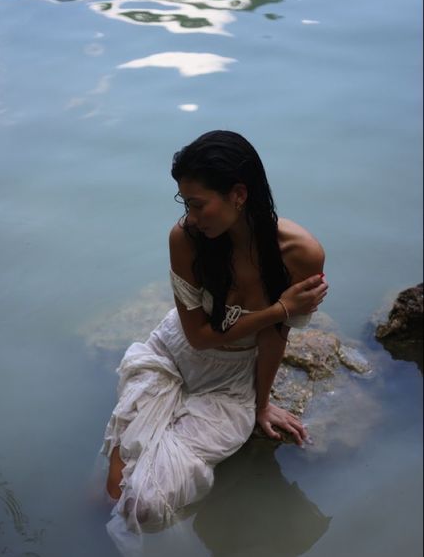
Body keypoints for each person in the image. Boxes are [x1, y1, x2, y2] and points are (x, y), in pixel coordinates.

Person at [100, 130, 327, 536]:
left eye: (197, 204)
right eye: (185, 203)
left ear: (238, 194)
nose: (190, 215)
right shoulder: (185, 239)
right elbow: (199, 337)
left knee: (145, 507)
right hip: (171, 355)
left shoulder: (300, 253)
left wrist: (260, 405)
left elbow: (276, 336)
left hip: (230, 383)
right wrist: (280, 308)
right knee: (114, 491)